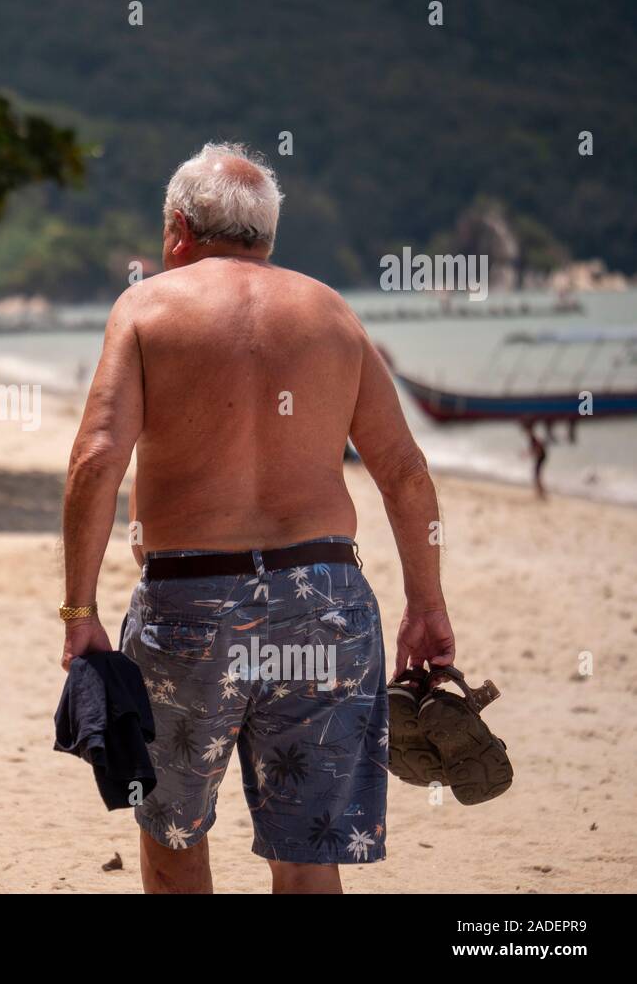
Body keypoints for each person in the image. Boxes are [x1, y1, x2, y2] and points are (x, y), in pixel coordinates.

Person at [60, 142, 455, 894]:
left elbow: (96, 460)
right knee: (309, 855)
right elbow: (404, 471)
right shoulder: (331, 313)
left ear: (178, 227)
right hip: (327, 603)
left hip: (190, 607)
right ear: (267, 234)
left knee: (175, 837)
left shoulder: (146, 307)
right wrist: (427, 605)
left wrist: (79, 610)